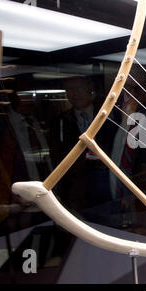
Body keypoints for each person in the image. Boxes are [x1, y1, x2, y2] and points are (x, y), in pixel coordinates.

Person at [49, 76, 116, 217]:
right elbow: (56, 158)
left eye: (79, 88)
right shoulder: (59, 122)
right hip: (76, 191)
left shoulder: (109, 116)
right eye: (70, 89)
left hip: (108, 184)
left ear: (90, 89)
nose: (75, 93)